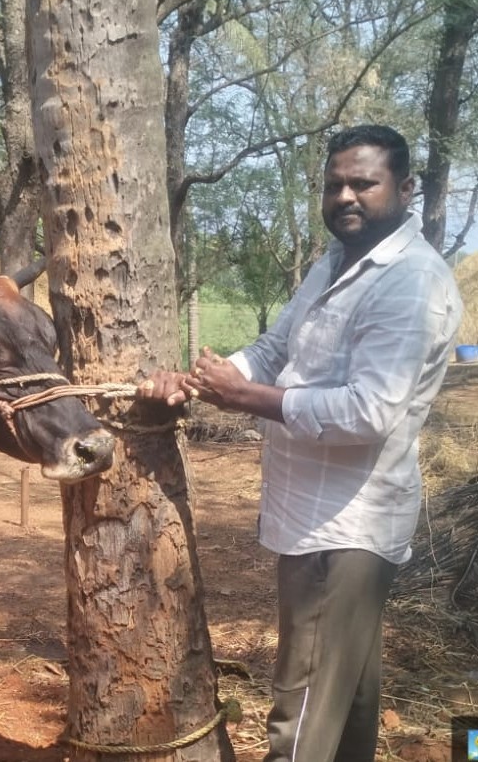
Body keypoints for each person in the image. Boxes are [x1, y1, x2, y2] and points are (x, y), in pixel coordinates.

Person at [138, 124, 462, 762]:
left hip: (344, 526)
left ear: (405, 187)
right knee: (349, 701)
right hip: (308, 511)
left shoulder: (410, 284)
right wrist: (205, 380)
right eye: (334, 183)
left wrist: (245, 397)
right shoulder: (334, 263)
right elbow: (272, 349)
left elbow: (368, 411)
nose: (345, 196)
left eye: (362, 183)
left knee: (303, 708)